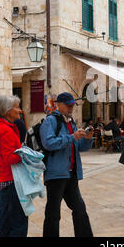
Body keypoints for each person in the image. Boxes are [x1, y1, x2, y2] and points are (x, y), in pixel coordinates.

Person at [40, 92, 94, 237]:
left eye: (72, 105)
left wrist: (87, 138)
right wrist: (72, 137)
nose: (71, 108)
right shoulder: (50, 121)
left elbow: (80, 147)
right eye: (68, 105)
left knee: (80, 209)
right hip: (55, 174)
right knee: (53, 213)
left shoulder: (71, 122)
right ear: (58, 104)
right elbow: (48, 143)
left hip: (71, 173)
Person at [0, 95, 28, 237]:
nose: (20, 110)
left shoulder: (5, 127)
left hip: (8, 180)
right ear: (8, 111)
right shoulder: (6, 130)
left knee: (6, 225)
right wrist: (25, 154)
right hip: (12, 181)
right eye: (17, 107)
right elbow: (10, 158)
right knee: (18, 223)